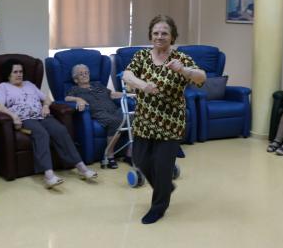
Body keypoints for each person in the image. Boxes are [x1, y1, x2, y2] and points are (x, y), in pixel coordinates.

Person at [122, 14, 206, 224]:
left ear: (172, 36)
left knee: (162, 166)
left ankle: (158, 207)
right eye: (156, 33)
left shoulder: (180, 59)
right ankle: (166, 186)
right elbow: (127, 75)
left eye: (164, 33)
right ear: (151, 35)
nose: (159, 37)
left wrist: (184, 70)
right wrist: (143, 85)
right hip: (144, 121)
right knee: (140, 160)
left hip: (170, 123)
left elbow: (202, 77)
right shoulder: (142, 56)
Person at [0, 59, 98, 189]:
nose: (19, 74)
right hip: (25, 119)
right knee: (41, 134)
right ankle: (48, 175)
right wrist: (14, 117)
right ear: (8, 74)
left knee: (60, 130)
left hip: (42, 116)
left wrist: (46, 107)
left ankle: (81, 167)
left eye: (21, 71)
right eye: (15, 72)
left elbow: (46, 99)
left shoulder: (29, 84)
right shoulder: (3, 87)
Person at [65, 64, 131, 169]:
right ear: (76, 79)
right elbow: (67, 98)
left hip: (114, 109)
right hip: (100, 113)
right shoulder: (75, 89)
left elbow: (112, 94)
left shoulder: (97, 85)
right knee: (116, 121)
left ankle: (129, 154)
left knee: (137, 117)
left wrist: (128, 94)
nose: (85, 75)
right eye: (81, 74)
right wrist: (78, 99)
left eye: (86, 73)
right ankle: (109, 155)